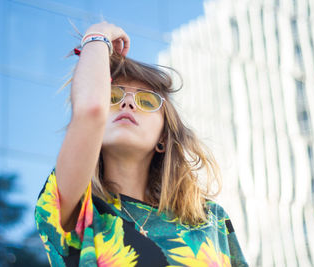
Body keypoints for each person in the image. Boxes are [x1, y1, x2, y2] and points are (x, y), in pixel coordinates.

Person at [35, 21, 248, 266]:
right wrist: (98, 34)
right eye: (113, 97)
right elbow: (90, 109)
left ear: (164, 139)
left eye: (147, 101)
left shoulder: (210, 220)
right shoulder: (74, 207)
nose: (128, 104)